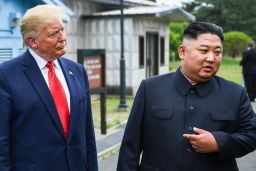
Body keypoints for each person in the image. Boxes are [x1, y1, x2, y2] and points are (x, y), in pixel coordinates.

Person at [117, 22, 256, 171]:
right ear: (182, 52)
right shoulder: (150, 88)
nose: (211, 58)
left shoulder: (235, 93)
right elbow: (129, 149)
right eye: (203, 51)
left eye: (217, 52)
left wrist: (218, 143)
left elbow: (252, 135)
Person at [0, 5, 98, 171]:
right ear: (33, 41)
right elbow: (2, 141)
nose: (63, 38)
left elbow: (88, 134)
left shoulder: (77, 71)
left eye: (62, 30)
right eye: (54, 34)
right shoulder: (6, 75)